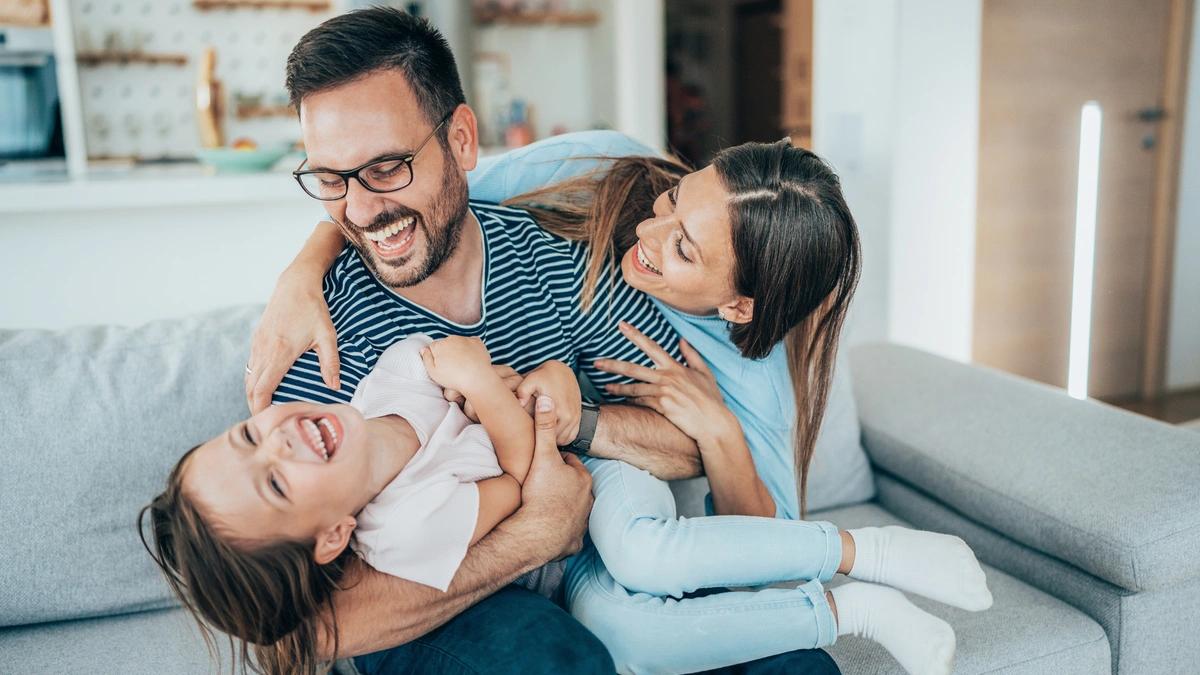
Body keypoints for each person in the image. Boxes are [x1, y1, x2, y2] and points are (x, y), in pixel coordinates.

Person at [230, 7, 841, 675]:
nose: (359, 209)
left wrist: (582, 419)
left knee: (793, 662)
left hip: (584, 581)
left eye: (386, 167)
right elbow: (294, 627)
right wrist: (530, 535)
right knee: (548, 656)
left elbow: (684, 440)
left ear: (462, 139)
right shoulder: (316, 334)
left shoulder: (558, 261)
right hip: (442, 613)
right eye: (329, 178)